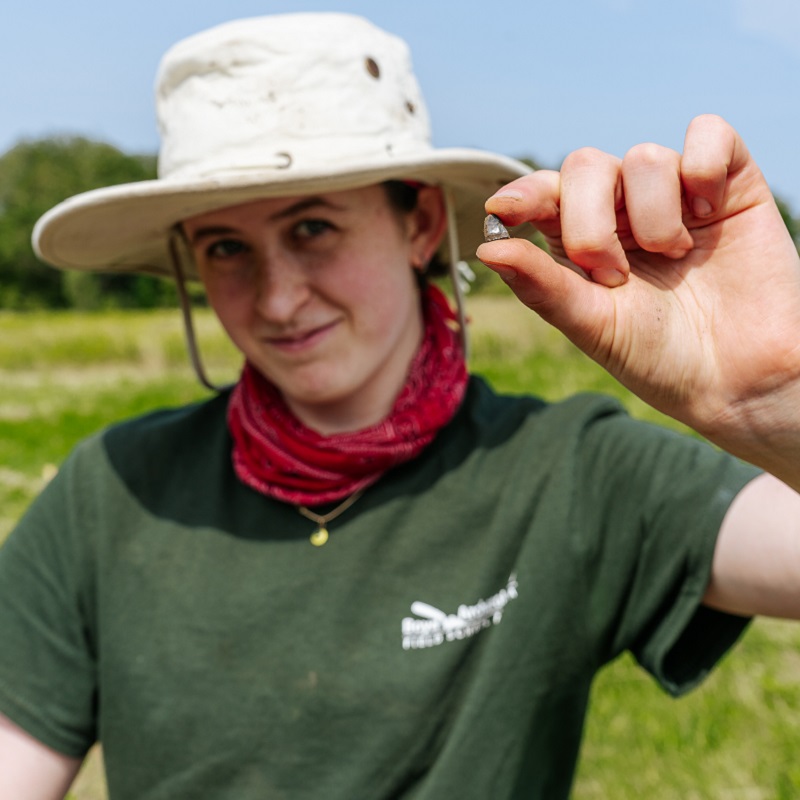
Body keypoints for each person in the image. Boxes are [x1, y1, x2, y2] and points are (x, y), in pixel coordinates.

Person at [1, 11, 799, 800]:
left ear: (417, 224)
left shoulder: (572, 471)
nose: (277, 298)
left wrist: (781, 411)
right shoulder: (112, 490)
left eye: (312, 227)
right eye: (225, 247)